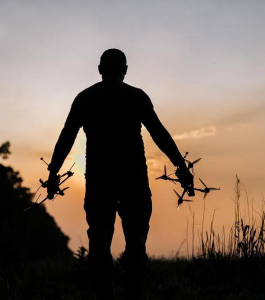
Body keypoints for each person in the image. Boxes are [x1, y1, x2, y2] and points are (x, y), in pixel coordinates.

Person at [46, 49, 194, 300]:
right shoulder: (137, 97)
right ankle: (132, 294)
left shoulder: (85, 98)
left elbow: (66, 137)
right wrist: (181, 166)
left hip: (98, 183)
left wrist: (53, 173)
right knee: (136, 245)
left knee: (100, 244)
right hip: (134, 182)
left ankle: (105, 295)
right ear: (125, 70)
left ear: (100, 69)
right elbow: (159, 133)